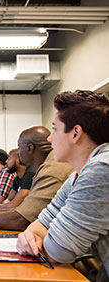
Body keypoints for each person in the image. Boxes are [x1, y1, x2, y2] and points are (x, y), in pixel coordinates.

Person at [16, 90, 109, 282]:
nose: (50, 139)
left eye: (55, 129)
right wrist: (32, 235)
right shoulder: (80, 171)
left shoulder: (101, 169)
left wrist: (38, 239)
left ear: (75, 133)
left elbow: (58, 251)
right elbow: (42, 222)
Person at [0, 126, 73, 231]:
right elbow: (21, 209)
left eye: (19, 146)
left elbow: (21, 219)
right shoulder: (43, 168)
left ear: (29, 148)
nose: (18, 152)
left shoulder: (51, 171)